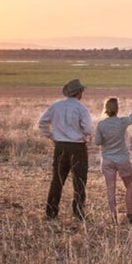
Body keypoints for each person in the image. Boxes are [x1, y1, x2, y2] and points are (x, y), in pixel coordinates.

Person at [38, 78, 93, 221]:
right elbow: (87, 129)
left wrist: (51, 136)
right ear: (79, 93)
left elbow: (42, 122)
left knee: (57, 179)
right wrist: (84, 135)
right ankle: (78, 212)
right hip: (77, 147)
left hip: (60, 146)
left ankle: (51, 212)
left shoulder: (56, 106)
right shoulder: (81, 108)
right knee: (79, 180)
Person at [94, 97, 132, 223]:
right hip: (122, 159)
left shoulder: (101, 125)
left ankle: (113, 215)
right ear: (117, 109)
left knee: (111, 188)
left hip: (107, 159)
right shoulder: (122, 122)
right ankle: (130, 213)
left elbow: (97, 142)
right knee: (129, 185)